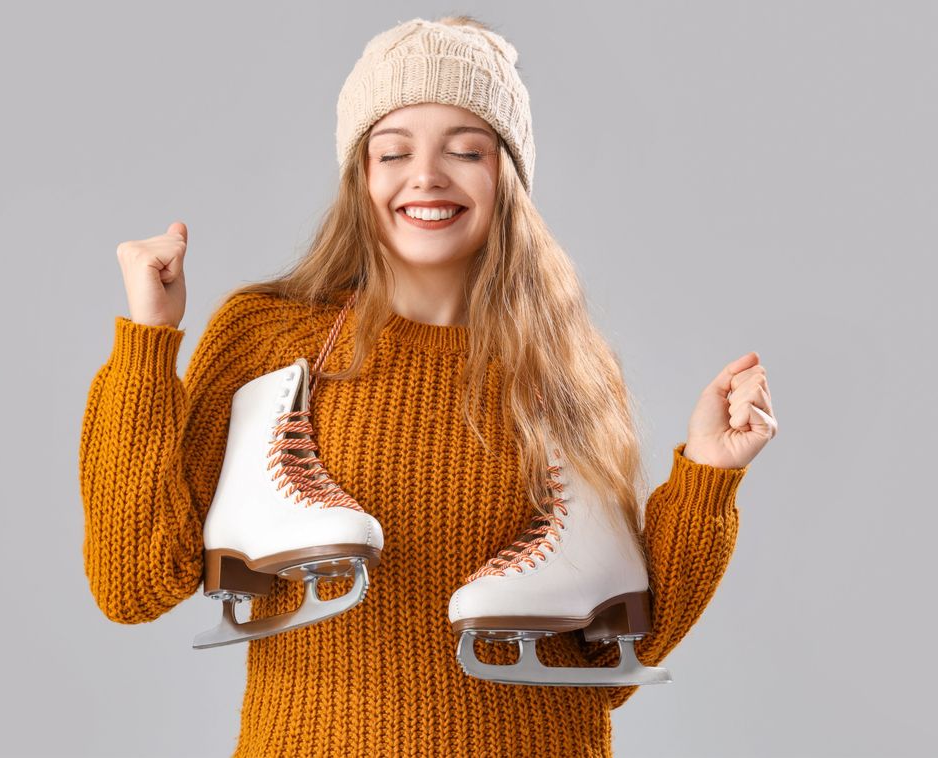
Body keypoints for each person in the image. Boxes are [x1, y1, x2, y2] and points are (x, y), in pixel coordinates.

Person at [79, 14, 777, 757]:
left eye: (466, 150)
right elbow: (133, 583)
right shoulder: (270, 340)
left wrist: (708, 473)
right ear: (361, 176)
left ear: (506, 177)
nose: (426, 176)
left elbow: (606, 659)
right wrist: (147, 344)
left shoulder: (566, 364)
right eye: (393, 151)